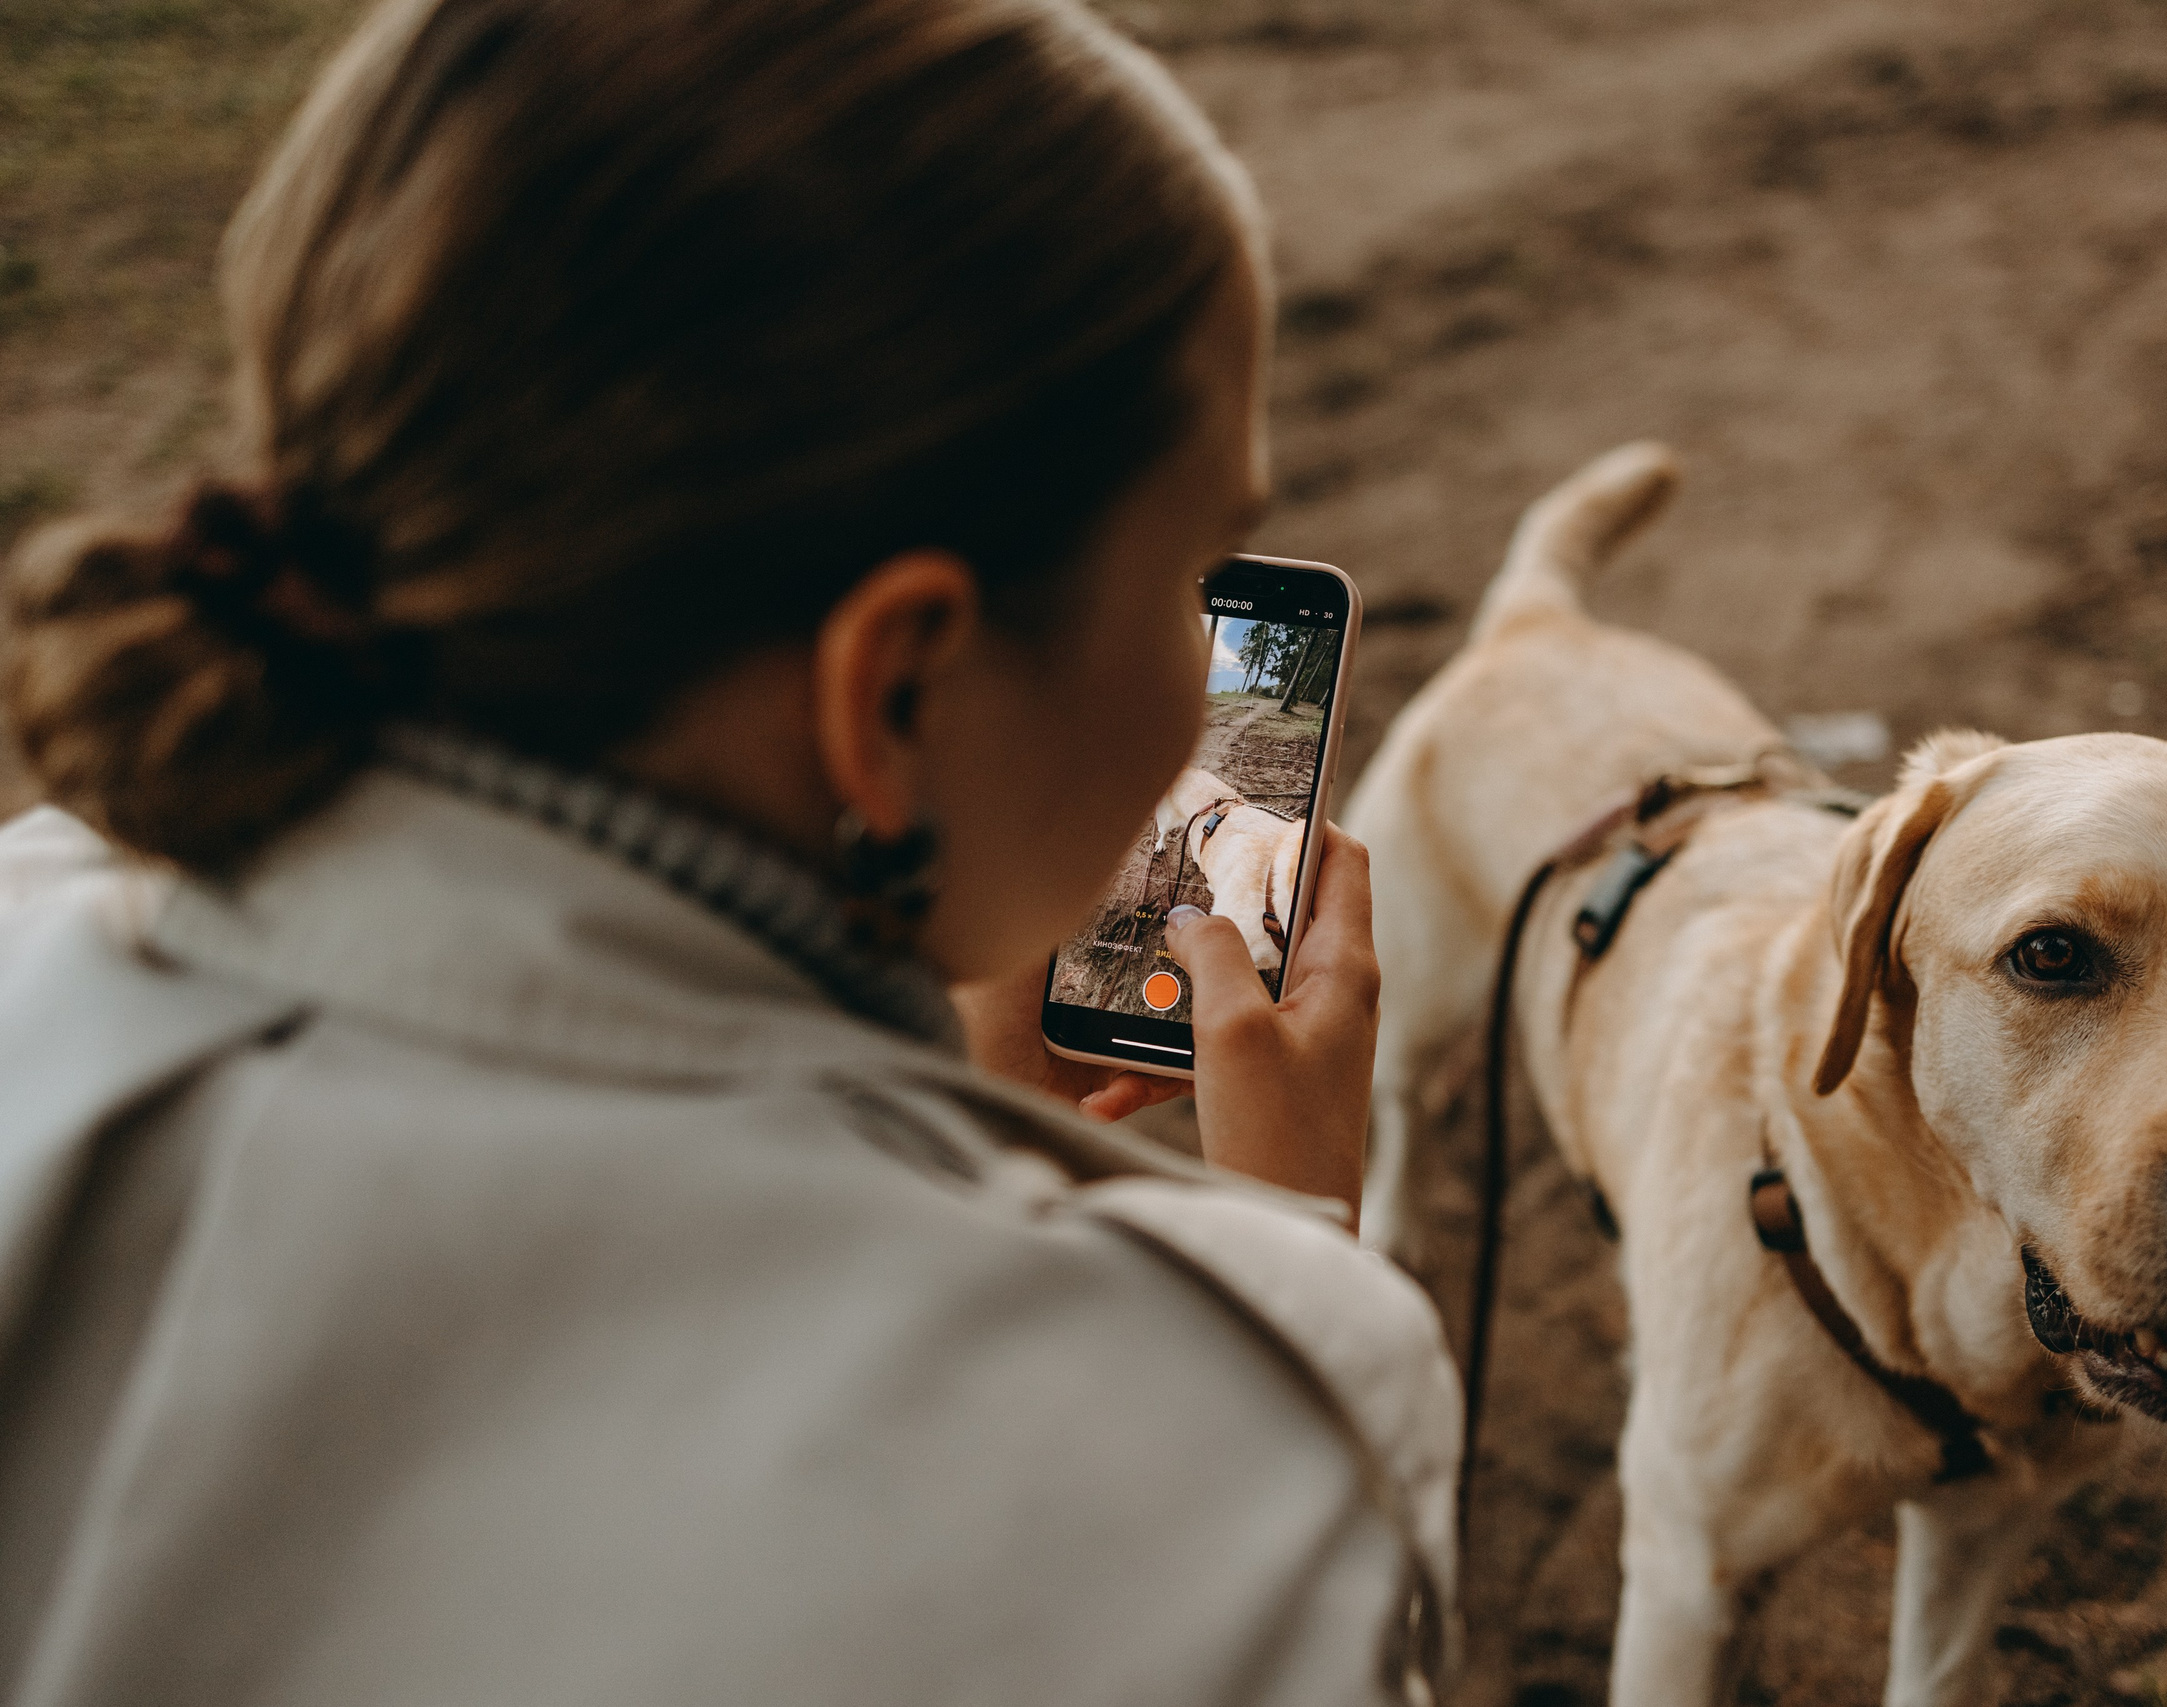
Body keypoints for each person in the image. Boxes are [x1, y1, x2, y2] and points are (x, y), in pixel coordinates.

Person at [0, 1, 1458, 1702]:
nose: (1212, 659)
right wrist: (1278, 1240)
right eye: (1200, 564)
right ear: (896, 679)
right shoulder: (1206, 1424)